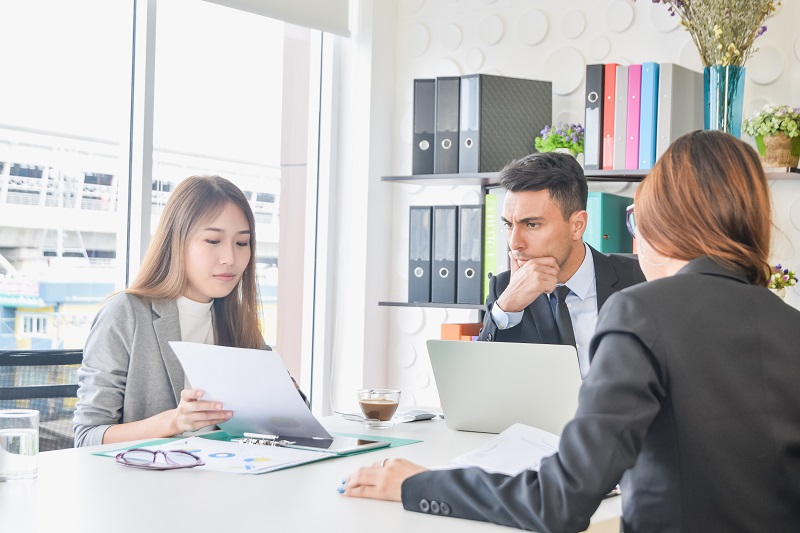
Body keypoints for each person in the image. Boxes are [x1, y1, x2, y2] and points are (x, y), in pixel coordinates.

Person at [343, 130, 800, 532]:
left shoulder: (640, 308)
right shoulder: (788, 324)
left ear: (668, 224)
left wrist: (416, 483)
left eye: (638, 220)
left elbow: (559, 502)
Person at [73, 175, 304, 447]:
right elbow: (87, 438)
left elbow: (294, 420)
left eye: (242, 243)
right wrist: (174, 422)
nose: (230, 258)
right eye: (213, 241)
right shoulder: (126, 313)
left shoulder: (236, 317)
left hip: (226, 477)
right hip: (150, 482)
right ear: (177, 242)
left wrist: (288, 398)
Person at [478, 152, 645, 376]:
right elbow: (480, 381)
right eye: (509, 225)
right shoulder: (504, 290)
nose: (514, 243)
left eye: (532, 225)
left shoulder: (638, 279)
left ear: (577, 225)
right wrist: (506, 308)